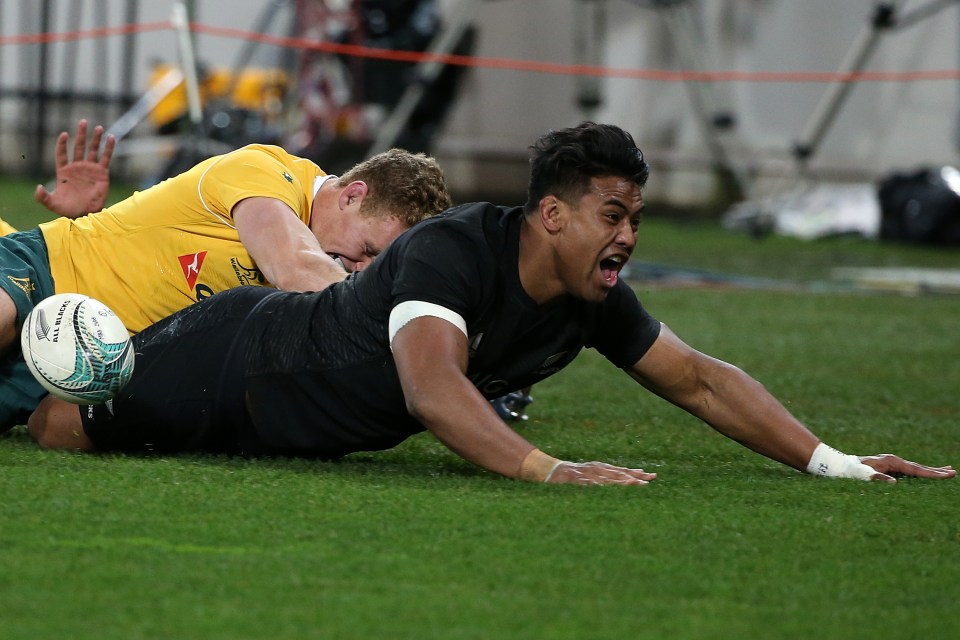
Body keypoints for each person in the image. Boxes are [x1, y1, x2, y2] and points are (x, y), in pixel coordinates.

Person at [25, 122, 956, 486]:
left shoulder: (591, 296)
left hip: (288, 428)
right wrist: (548, 469)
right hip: (242, 357)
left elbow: (702, 382)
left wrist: (837, 463)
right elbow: (431, 391)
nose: (628, 234)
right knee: (55, 425)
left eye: (634, 215)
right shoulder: (453, 250)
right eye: (612, 214)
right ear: (551, 214)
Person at [0, 120, 451, 430]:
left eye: (382, 265)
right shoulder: (267, 171)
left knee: (56, 425)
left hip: (91, 365)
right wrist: (411, 337)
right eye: (370, 250)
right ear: (352, 195)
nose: (363, 269)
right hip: (45, 271)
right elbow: (292, 264)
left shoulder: (329, 272)